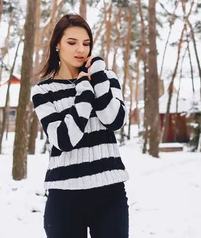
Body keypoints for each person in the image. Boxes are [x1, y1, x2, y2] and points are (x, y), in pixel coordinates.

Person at [32, 13, 129, 238]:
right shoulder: (44, 91)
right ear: (57, 44)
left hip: (110, 194)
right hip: (65, 197)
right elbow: (64, 140)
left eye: (86, 43)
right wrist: (84, 92)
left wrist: (97, 78)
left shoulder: (107, 79)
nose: (81, 49)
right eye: (72, 42)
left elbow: (114, 121)